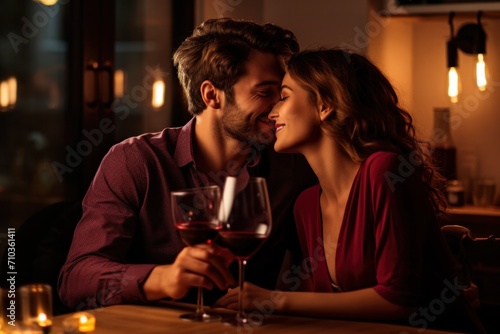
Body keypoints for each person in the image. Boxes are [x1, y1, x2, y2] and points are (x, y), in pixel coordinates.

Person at [215, 48, 482, 332]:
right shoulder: (305, 204)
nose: (272, 112)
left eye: (284, 97)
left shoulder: (385, 171)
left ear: (324, 106)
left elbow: (400, 300)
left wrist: (274, 300)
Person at [58, 18, 316, 310]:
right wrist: (162, 279)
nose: (278, 107)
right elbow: (75, 280)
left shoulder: (292, 169)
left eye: (281, 94)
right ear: (211, 95)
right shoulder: (135, 161)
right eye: (264, 92)